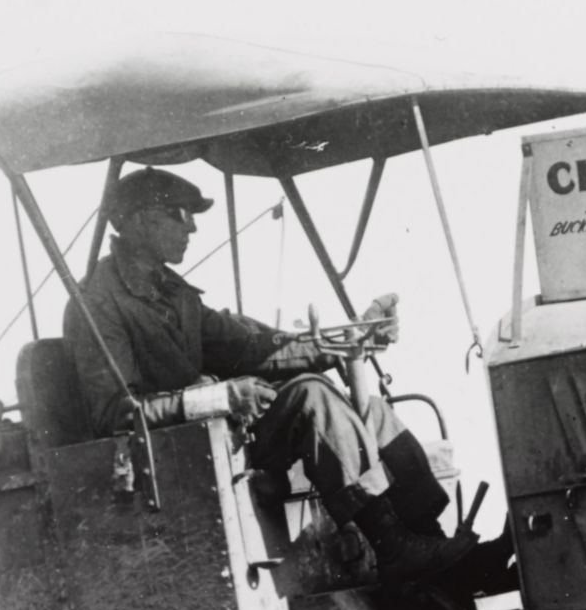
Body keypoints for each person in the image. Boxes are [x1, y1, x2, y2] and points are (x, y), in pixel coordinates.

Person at [62, 166, 473, 586]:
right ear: (140, 219)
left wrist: (349, 337)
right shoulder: (97, 303)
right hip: (180, 458)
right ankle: (392, 546)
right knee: (313, 397)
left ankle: (433, 545)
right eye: (181, 214)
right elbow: (116, 413)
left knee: (374, 410)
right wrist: (218, 399)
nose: (193, 228)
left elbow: (250, 348)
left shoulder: (173, 293)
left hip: (220, 438)